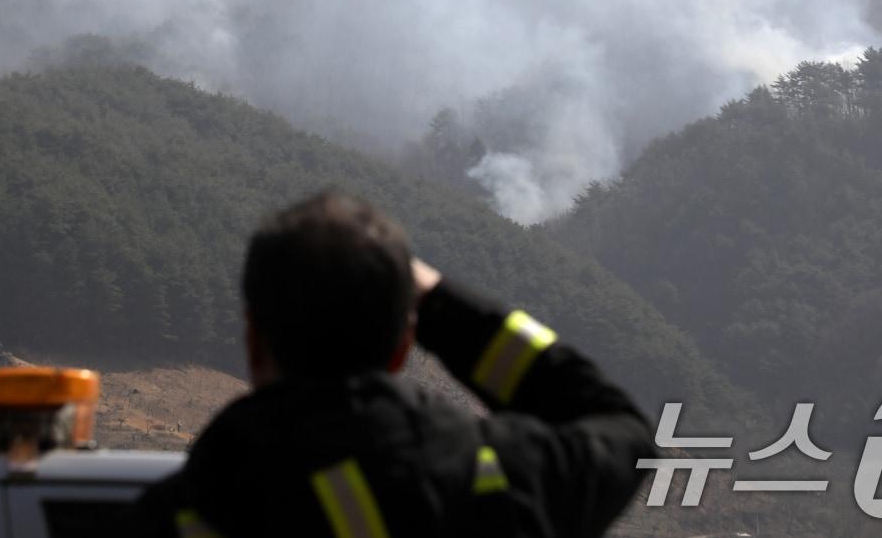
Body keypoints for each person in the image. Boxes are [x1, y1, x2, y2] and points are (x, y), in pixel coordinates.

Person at [119, 190, 656, 538]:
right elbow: (624, 429)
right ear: (404, 346)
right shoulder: (499, 482)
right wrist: (444, 306)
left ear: (255, 342)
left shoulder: (173, 520)